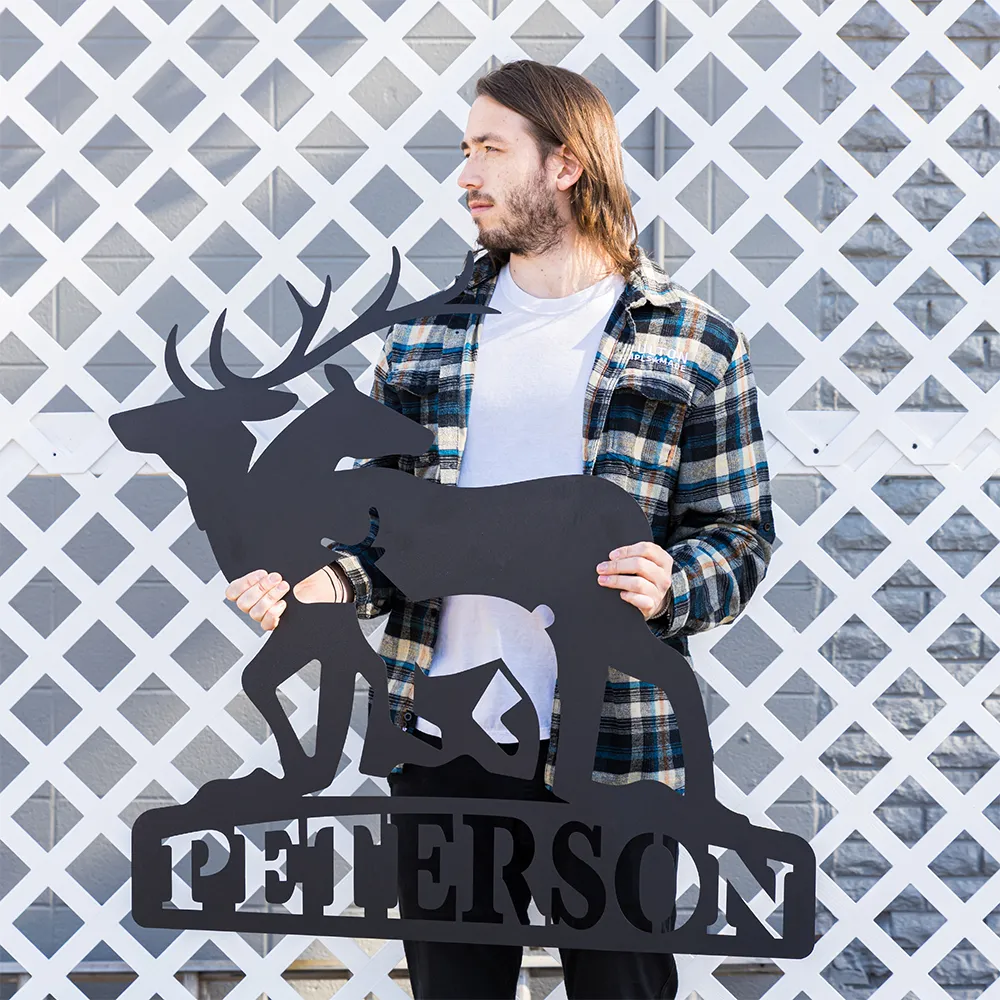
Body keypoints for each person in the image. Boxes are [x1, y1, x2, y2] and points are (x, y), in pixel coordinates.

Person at [225, 59, 774, 1000]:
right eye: (464, 149)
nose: (467, 175)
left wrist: (674, 582)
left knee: (624, 990)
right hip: (443, 740)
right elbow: (386, 532)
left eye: (490, 150)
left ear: (565, 165)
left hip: (617, 748)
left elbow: (739, 533)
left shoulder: (694, 341)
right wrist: (315, 590)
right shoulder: (426, 337)